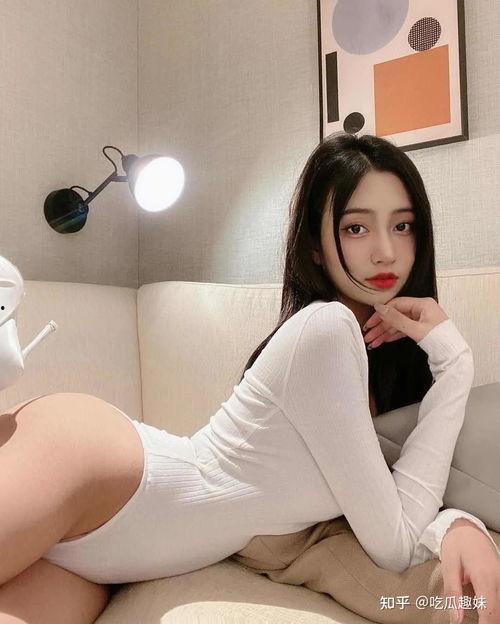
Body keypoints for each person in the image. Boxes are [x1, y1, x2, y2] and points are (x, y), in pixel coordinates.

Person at [0, 133, 497, 624]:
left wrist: (455, 521)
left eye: (403, 225)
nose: (386, 251)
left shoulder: (379, 366)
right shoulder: (326, 329)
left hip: (108, 563)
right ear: (315, 246)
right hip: (92, 470)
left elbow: (405, 502)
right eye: (355, 228)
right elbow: (395, 543)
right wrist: (455, 364)